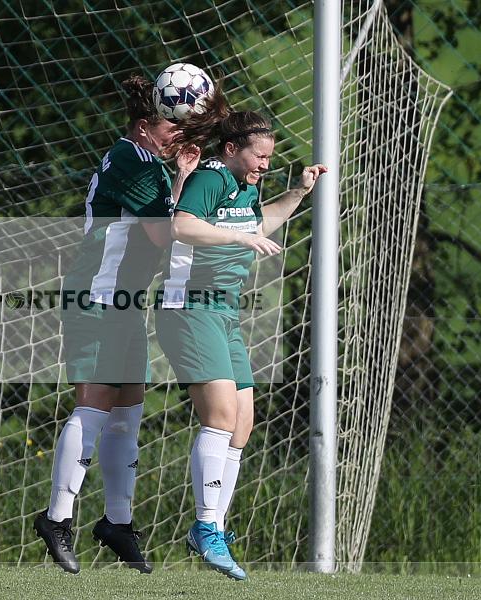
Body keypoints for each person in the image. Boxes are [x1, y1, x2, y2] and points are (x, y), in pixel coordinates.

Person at [33, 74, 209, 574]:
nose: (178, 134)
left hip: (125, 300)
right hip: (98, 295)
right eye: (169, 125)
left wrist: (176, 177)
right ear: (143, 127)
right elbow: (160, 235)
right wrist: (179, 179)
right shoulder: (133, 159)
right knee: (95, 400)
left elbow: (162, 227)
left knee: (129, 406)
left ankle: (117, 522)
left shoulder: (151, 162)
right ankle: (57, 518)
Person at [156, 111, 327, 580]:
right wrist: (238, 235)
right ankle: (205, 527)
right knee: (220, 417)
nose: (265, 165)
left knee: (243, 425)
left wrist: (297, 192)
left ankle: (213, 526)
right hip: (190, 308)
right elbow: (183, 226)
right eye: (260, 155)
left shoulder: (247, 188)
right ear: (232, 149)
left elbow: (260, 224)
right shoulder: (210, 178)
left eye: (270, 157)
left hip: (224, 313)